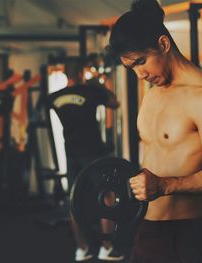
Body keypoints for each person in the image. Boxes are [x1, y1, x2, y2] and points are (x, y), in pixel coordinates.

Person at [106, 0, 202, 262]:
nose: (139, 74)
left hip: (182, 235)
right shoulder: (153, 93)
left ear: (164, 44)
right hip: (145, 227)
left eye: (141, 62)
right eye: (131, 67)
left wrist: (165, 185)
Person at [46, 62, 122, 261]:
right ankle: (106, 247)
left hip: (71, 153)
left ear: (65, 75)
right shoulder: (91, 90)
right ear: (81, 73)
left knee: (75, 200)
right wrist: (100, 84)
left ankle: (82, 249)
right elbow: (115, 103)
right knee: (107, 195)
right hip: (94, 152)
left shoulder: (54, 97)